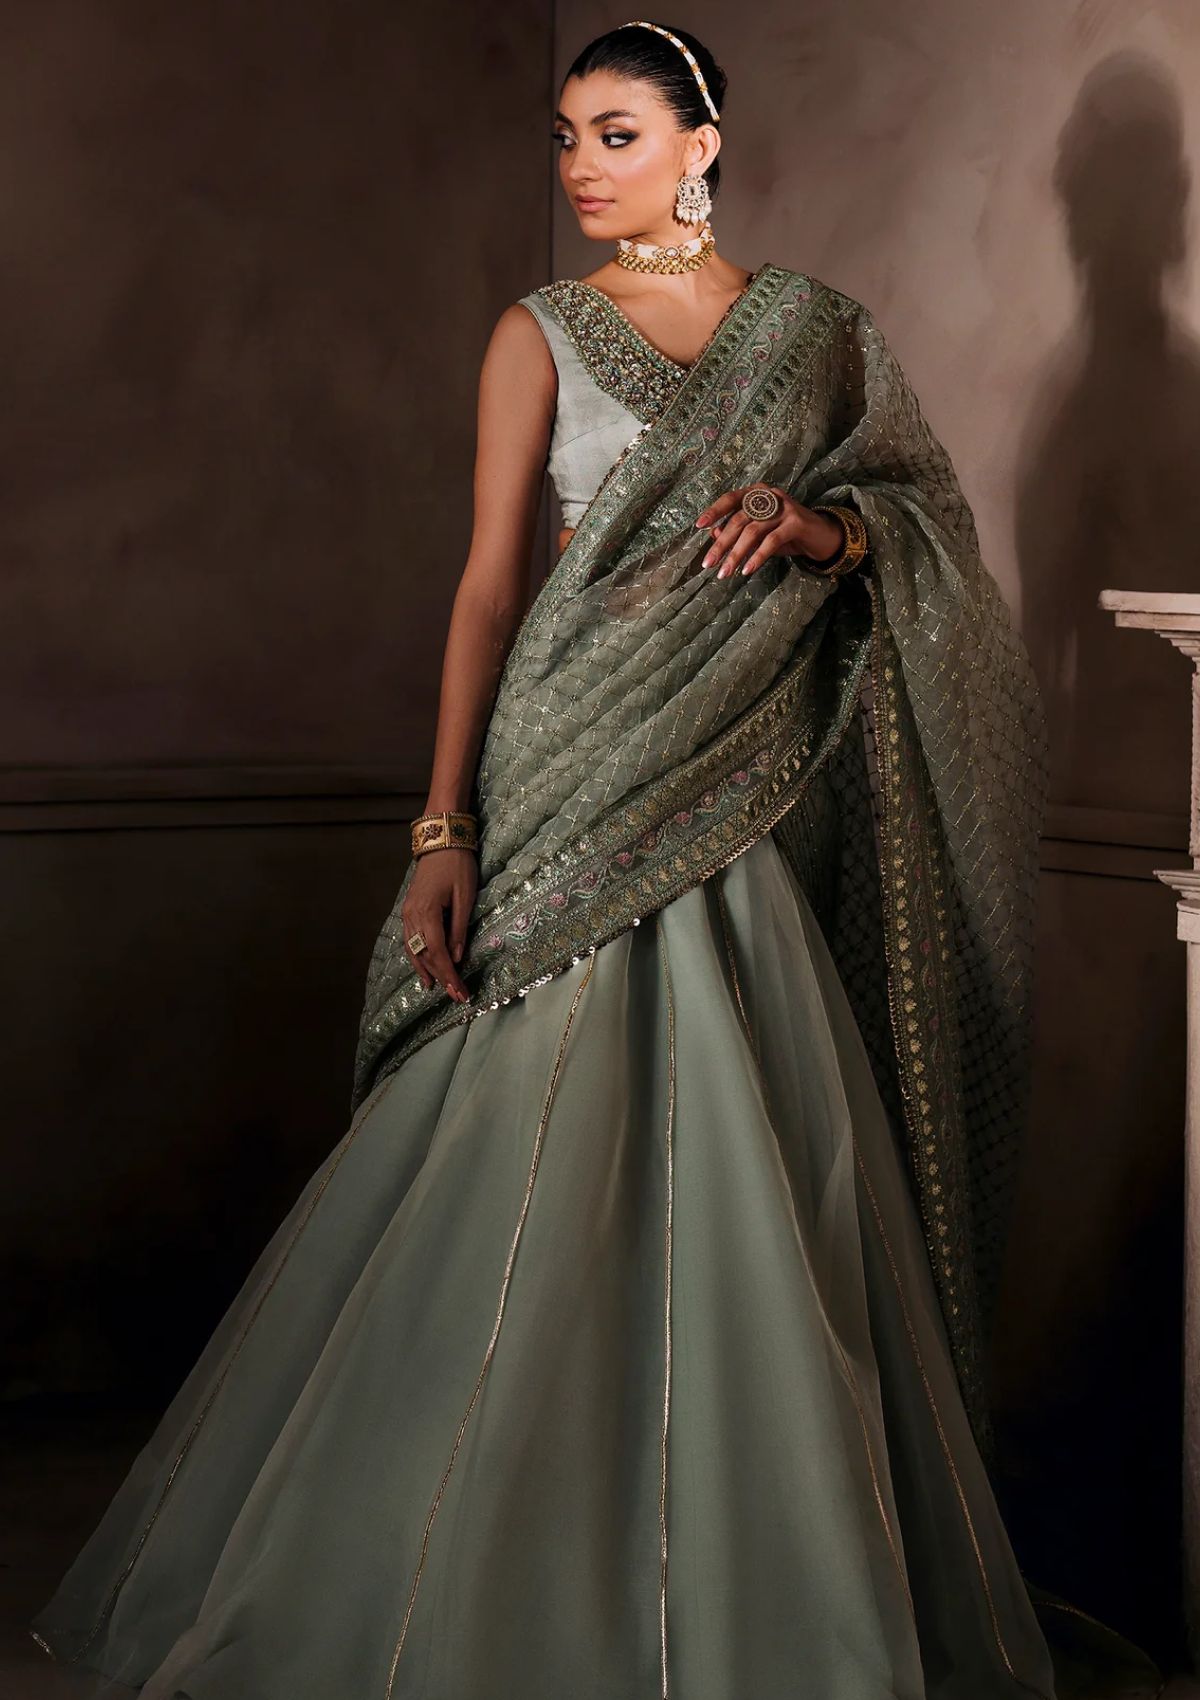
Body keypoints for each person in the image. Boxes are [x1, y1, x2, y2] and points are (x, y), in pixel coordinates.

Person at [28, 20, 1163, 1700]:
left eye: (616, 133)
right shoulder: (539, 332)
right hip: (566, 765)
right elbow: (491, 588)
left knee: (752, 1181)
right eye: (565, 135)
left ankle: (747, 1594)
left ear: (704, 145)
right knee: (513, 1167)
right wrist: (444, 829)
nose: (579, 167)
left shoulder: (818, 335)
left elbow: (925, 532)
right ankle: (478, 1580)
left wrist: (826, 528)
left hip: (739, 783)